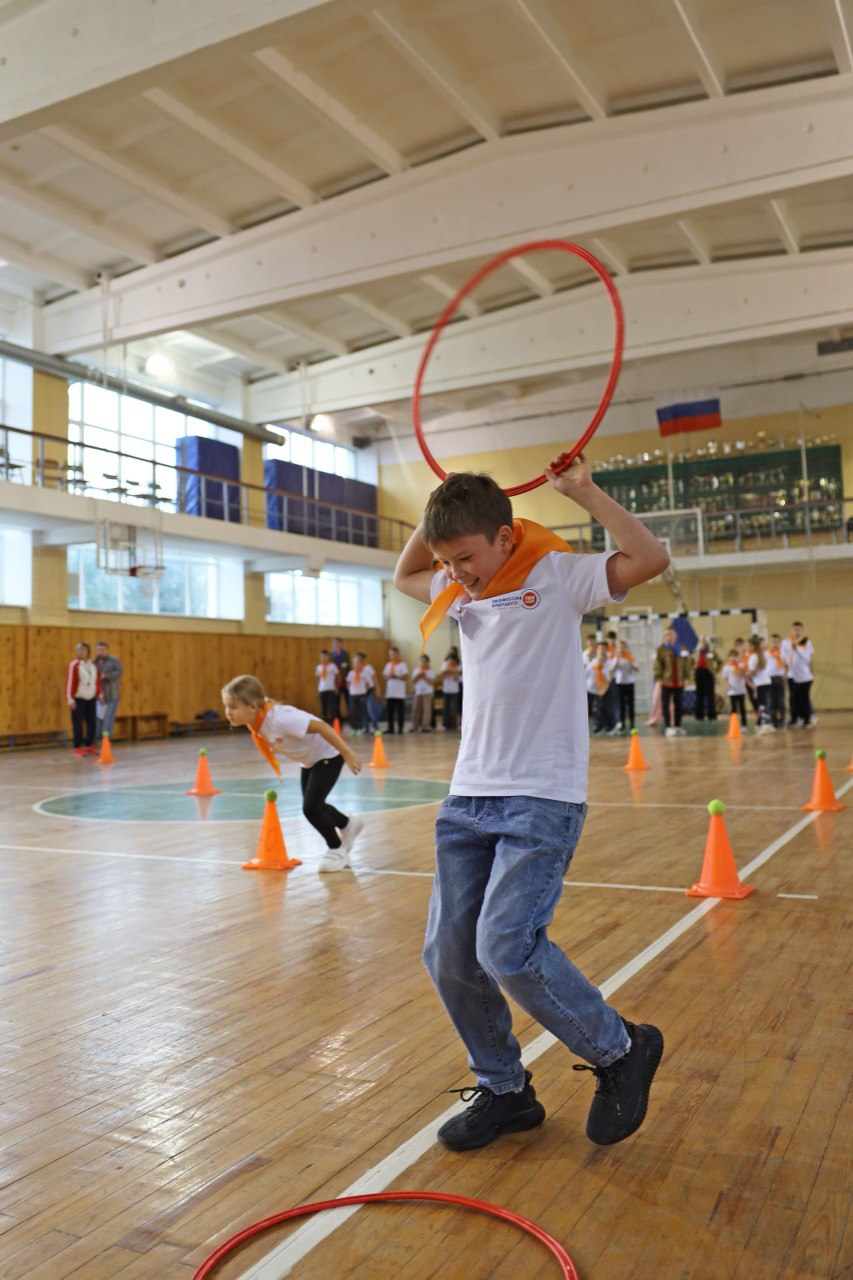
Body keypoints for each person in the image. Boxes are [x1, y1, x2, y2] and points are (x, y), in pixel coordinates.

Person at [394, 456, 669, 1151]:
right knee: (448, 955)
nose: (455, 573)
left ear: (506, 537)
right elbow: (405, 575)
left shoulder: (557, 576)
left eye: (466, 556)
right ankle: (506, 1090)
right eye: (445, 560)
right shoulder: (457, 592)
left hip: (541, 797)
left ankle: (619, 1049)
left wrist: (582, 492)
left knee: (505, 948)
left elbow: (649, 556)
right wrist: (433, 513)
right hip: (467, 799)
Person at [222, 674, 363, 873]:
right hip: (309, 761)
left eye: (233, 707)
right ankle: (348, 824)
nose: (228, 712)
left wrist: (348, 753)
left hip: (329, 755)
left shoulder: (280, 718)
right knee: (316, 806)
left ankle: (337, 850)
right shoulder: (257, 725)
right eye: (226, 706)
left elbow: (322, 727)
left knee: (311, 808)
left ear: (253, 706)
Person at [653, 627, 693, 738]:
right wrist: (659, 678)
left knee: (678, 705)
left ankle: (677, 726)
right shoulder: (661, 649)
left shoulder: (682, 648)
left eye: (671, 634)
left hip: (679, 681)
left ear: (675, 635)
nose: (669, 636)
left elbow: (687, 664)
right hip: (666, 682)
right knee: (665, 704)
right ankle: (668, 727)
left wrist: (687, 677)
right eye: (667, 634)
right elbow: (657, 666)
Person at [66, 642, 102, 757]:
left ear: (88, 652)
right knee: (78, 723)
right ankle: (78, 746)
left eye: (84, 650)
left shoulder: (93, 665)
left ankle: (89, 745)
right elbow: (69, 683)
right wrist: (70, 699)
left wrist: (100, 694)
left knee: (92, 722)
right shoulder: (74, 665)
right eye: (80, 650)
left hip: (91, 698)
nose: (82, 652)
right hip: (79, 698)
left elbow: (97, 681)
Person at [782, 622, 814, 727]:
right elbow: (784, 658)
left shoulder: (806, 643)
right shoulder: (786, 642)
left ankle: (806, 719)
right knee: (793, 697)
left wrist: (811, 671)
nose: (796, 631)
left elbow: (809, 658)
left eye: (799, 629)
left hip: (803, 675)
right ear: (792, 630)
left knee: (803, 697)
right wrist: (785, 672)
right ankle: (794, 718)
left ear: (802, 630)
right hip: (792, 674)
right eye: (794, 629)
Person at [93, 640, 123, 743]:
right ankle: (96, 738)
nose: (100, 652)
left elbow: (119, 673)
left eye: (102, 650)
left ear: (107, 650)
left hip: (111, 694)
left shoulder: (114, 660)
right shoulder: (93, 661)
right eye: (98, 650)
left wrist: (106, 675)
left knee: (108, 718)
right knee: (98, 719)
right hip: (97, 696)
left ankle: (105, 739)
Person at [747, 637, 774, 735]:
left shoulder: (753, 657)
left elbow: (752, 672)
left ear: (752, 646)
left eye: (748, 645)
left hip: (760, 683)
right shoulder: (761, 655)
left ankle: (765, 725)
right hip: (766, 681)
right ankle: (768, 724)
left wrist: (747, 673)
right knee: (765, 703)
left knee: (762, 705)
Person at [613, 639, 639, 731]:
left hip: (629, 682)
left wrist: (630, 662)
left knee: (631, 703)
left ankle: (632, 723)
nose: (622, 649)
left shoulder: (630, 657)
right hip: (620, 682)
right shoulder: (616, 657)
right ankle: (622, 722)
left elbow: (637, 668)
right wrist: (617, 660)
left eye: (623, 647)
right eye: (620, 647)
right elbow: (612, 669)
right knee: (621, 704)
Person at [693, 637, 721, 722]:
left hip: (708, 673)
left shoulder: (711, 652)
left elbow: (720, 662)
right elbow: (691, 661)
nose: (703, 643)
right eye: (701, 641)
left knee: (710, 695)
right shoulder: (696, 652)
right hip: (699, 673)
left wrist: (715, 671)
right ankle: (699, 716)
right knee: (699, 695)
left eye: (704, 641)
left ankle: (711, 716)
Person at [383, 645, 408, 734]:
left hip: (399, 693)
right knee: (390, 712)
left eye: (393, 654)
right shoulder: (388, 665)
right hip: (390, 692)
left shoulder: (402, 665)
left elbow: (405, 677)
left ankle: (400, 728)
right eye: (390, 654)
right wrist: (389, 676)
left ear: (397, 655)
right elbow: (385, 676)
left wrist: (396, 676)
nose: (391, 656)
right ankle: (391, 728)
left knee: (400, 712)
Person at [764, 633, 787, 728]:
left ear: (780, 643)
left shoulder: (783, 652)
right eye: (773, 641)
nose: (775, 643)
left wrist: (785, 674)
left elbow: (787, 664)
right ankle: (773, 721)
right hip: (770, 678)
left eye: (777, 641)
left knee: (781, 701)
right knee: (772, 701)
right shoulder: (766, 653)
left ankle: (782, 720)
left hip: (780, 677)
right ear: (770, 642)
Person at [410, 655, 437, 732]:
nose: (423, 662)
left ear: (427, 662)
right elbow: (413, 681)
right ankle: (415, 726)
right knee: (416, 709)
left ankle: (426, 726)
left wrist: (425, 677)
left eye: (424, 661)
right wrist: (419, 676)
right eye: (421, 661)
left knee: (427, 710)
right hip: (418, 692)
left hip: (427, 692)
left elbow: (434, 682)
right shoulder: (416, 670)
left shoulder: (430, 671)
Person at [722, 648, 748, 727]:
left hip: (741, 690)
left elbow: (744, 675)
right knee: (734, 708)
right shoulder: (726, 667)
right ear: (729, 657)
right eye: (731, 656)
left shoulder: (740, 665)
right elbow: (725, 679)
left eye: (735, 656)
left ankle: (744, 724)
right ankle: (733, 724)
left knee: (742, 708)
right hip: (732, 691)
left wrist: (740, 667)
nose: (733, 658)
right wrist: (727, 687)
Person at [346, 652, 370, 735]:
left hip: (361, 695)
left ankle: (360, 728)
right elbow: (348, 684)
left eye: (358, 663)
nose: (357, 665)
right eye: (355, 663)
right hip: (353, 695)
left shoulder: (364, 673)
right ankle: (353, 728)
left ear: (361, 664)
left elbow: (368, 685)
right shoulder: (351, 673)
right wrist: (352, 690)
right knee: (353, 712)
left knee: (360, 712)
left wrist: (364, 691)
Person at [315, 650, 340, 725]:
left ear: (328, 657)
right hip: (322, 689)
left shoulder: (332, 666)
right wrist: (318, 687)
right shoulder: (319, 667)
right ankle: (325, 724)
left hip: (331, 689)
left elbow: (338, 676)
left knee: (332, 708)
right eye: (321, 656)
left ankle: (333, 724)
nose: (323, 658)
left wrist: (336, 686)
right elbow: (318, 677)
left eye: (324, 656)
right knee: (323, 708)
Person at [441, 647, 462, 731]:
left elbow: (458, 677)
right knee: (446, 707)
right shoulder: (444, 663)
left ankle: (454, 725)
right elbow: (442, 675)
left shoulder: (459, 664)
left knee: (454, 708)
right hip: (446, 688)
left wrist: (453, 671)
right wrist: (447, 670)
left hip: (455, 689)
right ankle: (446, 725)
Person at [330, 637, 350, 721]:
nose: (335, 645)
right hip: (335, 684)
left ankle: (352, 722)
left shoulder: (345, 654)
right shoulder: (330, 655)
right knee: (335, 704)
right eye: (334, 643)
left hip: (345, 682)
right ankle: (338, 723)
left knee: (349, 702)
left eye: (337, 643)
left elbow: (349, 668)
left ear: (341, 644)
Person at [363, 654, 383, 734]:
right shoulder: (358, 670)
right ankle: (366, 728)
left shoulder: (368, 667)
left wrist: (378, 690)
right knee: (363, 711)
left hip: (370, 691)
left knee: (371, 710)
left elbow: (374, 679)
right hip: (361, 692)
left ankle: (376, 727)